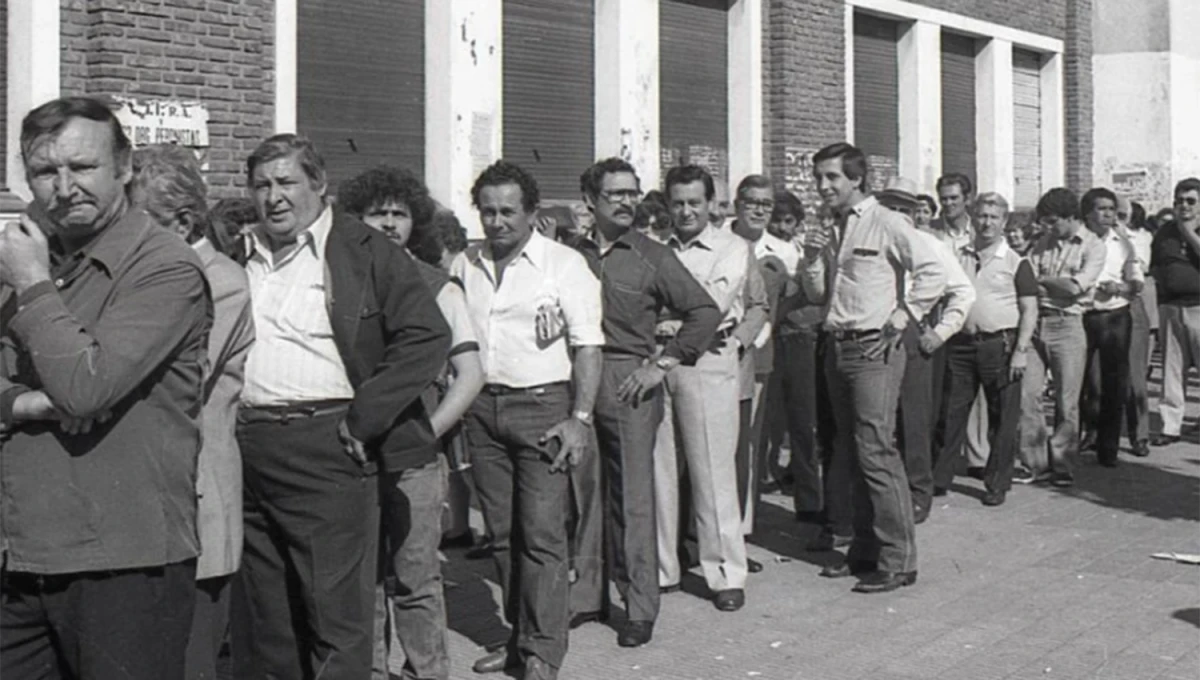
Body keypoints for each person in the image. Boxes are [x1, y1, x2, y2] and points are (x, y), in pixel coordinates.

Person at [0, 96, 213, 678]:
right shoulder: (25, 255)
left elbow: (85, 390)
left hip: (122, 560)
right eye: (45, 171)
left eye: (82, 167)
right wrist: (24, 402)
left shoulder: (163, 268)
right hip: (22, 554)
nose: (63, 187)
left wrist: (33, 286)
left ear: (123, 168)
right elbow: (65, 392)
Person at [235, 134, 450, 680]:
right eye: (262, 185)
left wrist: (365, 417)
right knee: (269, 617)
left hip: (327, 448)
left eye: (287, 183)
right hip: (251, 447)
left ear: (319, 185)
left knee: (336, 618)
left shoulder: (366, 250)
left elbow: (426, 336)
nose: (274, 197)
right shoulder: (243, 250)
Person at [453, 161, 603, 680]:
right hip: (482, 412)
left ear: (532, 213)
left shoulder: (563, 265)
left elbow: (588, 347)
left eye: (508, 212)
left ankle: (544, 652)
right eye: (488, 211)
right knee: (500, 535)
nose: (496, 222)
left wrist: (579, 419)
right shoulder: (464, 263)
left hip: (543, 409)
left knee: (541, 536)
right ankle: (516, 641)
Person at [338, 165, 486, 680]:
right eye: (377, 213)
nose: (389, 224)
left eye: (399, 214)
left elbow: (470, 374)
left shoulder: (438, 286)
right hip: (350, 454)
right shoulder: (336, 281)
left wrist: (428, 432)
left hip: (414, 461)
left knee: (415, 578)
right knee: (365, 581)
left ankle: (427, 671)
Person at [573, 157, 721, 647]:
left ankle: (639, 606)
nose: (626, 201)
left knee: (634, 497)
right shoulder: (569, 254)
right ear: (590, 200)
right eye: (614, 193)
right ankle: (588, 595)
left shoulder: (653, 256)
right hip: (576, 379)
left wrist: (661, 364)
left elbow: (704, 311)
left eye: (632, 192)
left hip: (627, 380)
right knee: (584, 492)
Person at [129, 144, 256, 680]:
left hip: (196, 496)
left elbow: (170, 379)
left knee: (192, 659)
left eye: (139, 222)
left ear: (181, 222)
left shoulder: (220, 280)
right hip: (142, 504)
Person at [799, 143, 947, 594]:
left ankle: (899, 559)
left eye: (832, 178)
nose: (823, 186)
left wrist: (903, 317)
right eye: (819, 178)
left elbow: (933, 274)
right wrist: (809, 259)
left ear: (856, 180)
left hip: (873, 350)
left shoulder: (888, 221)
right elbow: (816, 295)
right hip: (837, 344)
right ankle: (864, 549)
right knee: (851, 451)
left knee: (876, 449)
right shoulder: (832, 226)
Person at [653, 165, 752, 612]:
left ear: (712, 204)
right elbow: (642, 303)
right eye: (678, 203)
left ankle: (725, 573)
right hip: (660, 366)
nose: (687, 211)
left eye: (695, 202)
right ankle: (662, 567)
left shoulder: (731, 247)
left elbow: (712, 307)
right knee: (660, 468)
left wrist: (670, 320)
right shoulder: (656, 249)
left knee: (712, 471)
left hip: (708, 363)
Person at [876, 177, 975, 522]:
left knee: (914, 417)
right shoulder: (870, 238)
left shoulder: (930, 245)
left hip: (913, 334)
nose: (900, 215)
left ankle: (919, 493)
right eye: (892, 207)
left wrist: (941, 332)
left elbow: (963, 291)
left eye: (907, 209)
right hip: (873, 334)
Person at [935, 192, 1037, 506]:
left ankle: (997, 483)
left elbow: (1029, 309)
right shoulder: (958, 254)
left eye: (994, 217)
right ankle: (937, 478)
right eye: (982, 216)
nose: (987, 222)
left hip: (1001, 346)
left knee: (1002, 418)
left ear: (1004, 222)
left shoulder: (1016, 262)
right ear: (973, 218)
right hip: (962, 345)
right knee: (951, 413)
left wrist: (1021, 349)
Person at [1020, 187, 1106, 486]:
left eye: (1054, 221)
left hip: (1068, 326)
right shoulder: (1042, 241)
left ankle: (1062, 465)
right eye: (1045, 221)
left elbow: (1075, 287)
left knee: (1066, 401)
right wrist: (1049, 285)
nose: (1048, 227)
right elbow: (1025, 279)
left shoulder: (1093, 246)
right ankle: (1035, 463)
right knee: (1026, 395)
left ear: (1071, 218)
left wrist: (1044, 282)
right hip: (1035, 324)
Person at [728, 175, 783, 551]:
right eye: (752, 202)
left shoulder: (780, 251)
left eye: (767, 204)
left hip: (758, 359)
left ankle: (741, 530)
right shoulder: (722, 243)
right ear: (737, 204)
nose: (760, 210)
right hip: (718, 357)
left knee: (748, 446)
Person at [1078, 188, 1143, 466]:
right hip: (1083, 315)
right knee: (1082, 381)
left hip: (1115, 316)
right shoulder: (1077, 240)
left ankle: (1109, 447)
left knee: (1114, 380)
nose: (1108, 215)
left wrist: (1120, 287)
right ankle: (1087, 434)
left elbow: (1137, 282)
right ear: (1088, 213)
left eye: (1111, 209)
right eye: (1102, 209)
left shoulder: (1123, 243)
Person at [1149, 178, 1200, 446]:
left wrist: (1189, 232)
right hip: (1171, 307)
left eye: (1191, 201)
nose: (1184, 206)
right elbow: (1155, 264)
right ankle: (1170, 426)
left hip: (1199, 307)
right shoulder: (1165, 232)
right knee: (1171, 369)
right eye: (1179, 201)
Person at [1119, 198, 1154, 457]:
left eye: (1120, 214)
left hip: (1130, 303)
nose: (1115, 219)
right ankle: (1093, 432)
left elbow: (1140, 268)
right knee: (1096, 377)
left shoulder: (1140, 237)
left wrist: (1122, 237)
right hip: (1098, 307)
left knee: (1134, 376)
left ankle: (1139, 435)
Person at [931, 173, 975, 252]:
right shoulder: (930, 231)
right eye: (944, 199)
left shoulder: (978, 231)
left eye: (953, 198)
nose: (948, 203)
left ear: (967, 199)